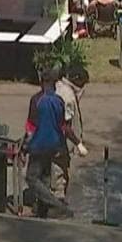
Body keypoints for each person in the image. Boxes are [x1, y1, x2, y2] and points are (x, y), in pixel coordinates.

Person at [24, 67, 73, 218]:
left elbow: (31, 128)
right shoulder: (59, 100)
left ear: (41, 81)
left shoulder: (37, 99)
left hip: (39, 144)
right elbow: (62, 125)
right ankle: (42, 210)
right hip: (54, 144)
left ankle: (57, 206)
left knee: (31, 177)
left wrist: (24, 146)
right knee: (45, 177)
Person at [52, 65, 90, 206]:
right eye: (83, 84)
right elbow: (65, 125)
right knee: (58, 174)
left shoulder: (60, 87)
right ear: (76, 80)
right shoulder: (67, 96)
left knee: (58, 172)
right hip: (59, 143)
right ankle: (56, 205)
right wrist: (78, 144)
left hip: (54, 141)